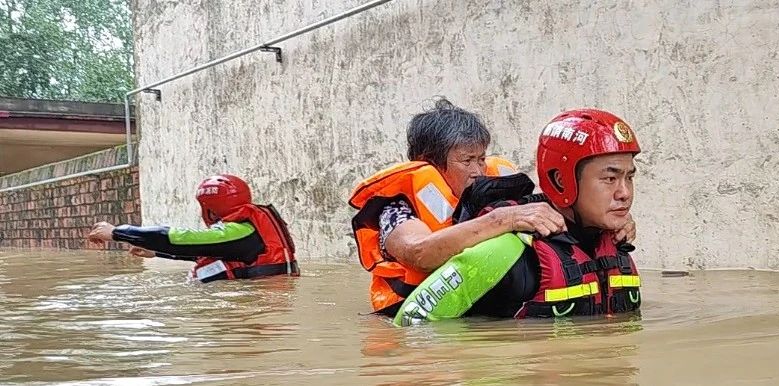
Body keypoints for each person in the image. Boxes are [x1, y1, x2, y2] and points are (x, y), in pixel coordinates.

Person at [349, 98, 637, 317]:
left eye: (482, 158)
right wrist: (503, 219)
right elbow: (418, 253)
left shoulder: (487, 190)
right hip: (411, 323)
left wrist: (608, 222)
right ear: (429, 161)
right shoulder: (398, 208)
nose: (479, 170)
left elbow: (555, 211)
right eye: (467, 160)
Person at [87, 174, 299, 282]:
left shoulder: (238, 232)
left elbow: (177, 237)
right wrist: (157, 253)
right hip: (269, 297)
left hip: (260, 304)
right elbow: (213, 252)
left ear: (210, 209)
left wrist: (116, 233)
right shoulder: (247, 229)